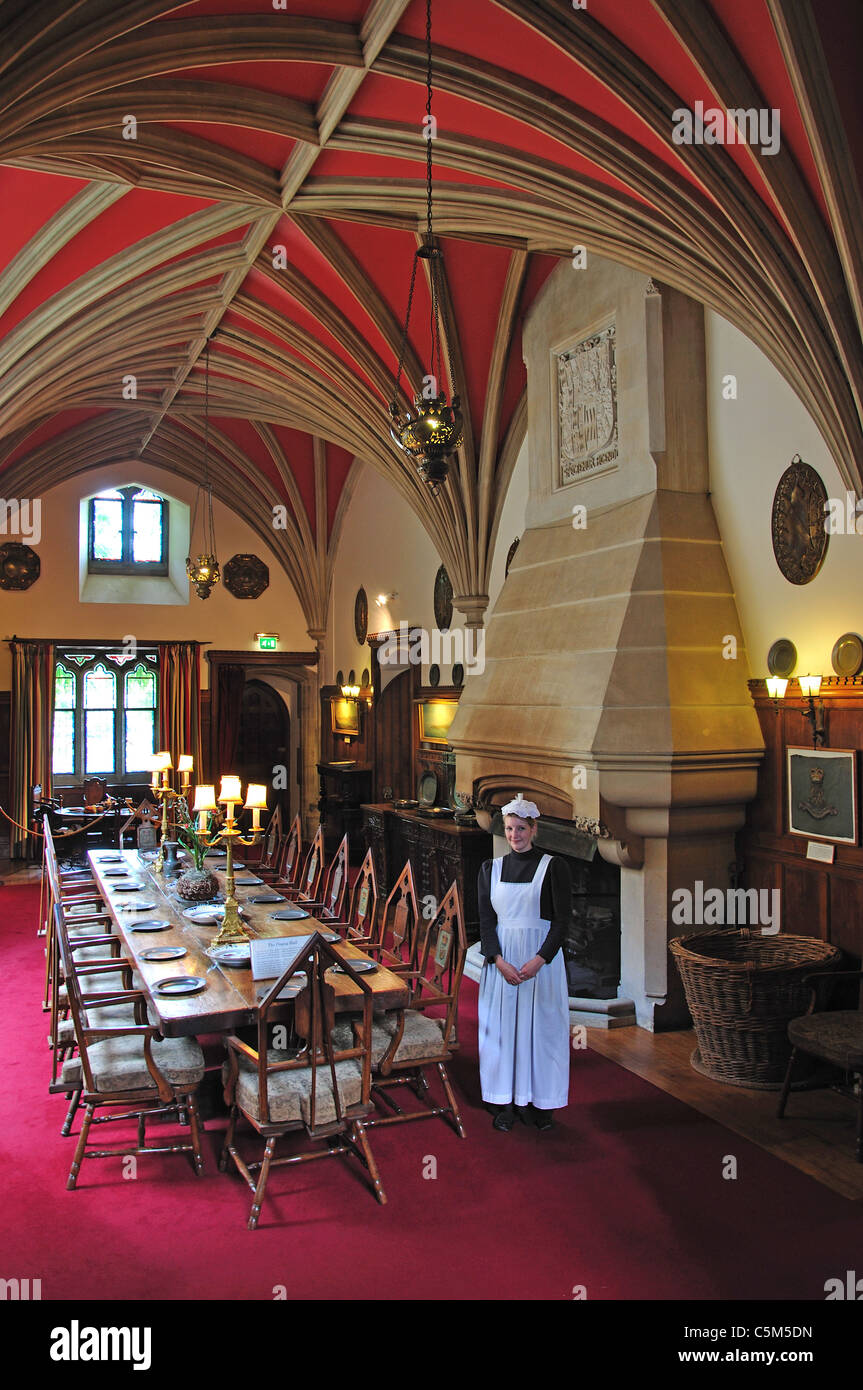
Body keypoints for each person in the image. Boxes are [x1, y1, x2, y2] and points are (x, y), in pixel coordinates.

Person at [477, 795, 571, 1131]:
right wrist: (498, 961)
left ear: (533, 829)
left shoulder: (554, 867)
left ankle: (539, 1103)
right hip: (503, 963)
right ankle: (504, 1101)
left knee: (540, 1032)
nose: (514, 835)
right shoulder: (491, 869)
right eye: (509, 828)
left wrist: (539, 961)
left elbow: (562, 923)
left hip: (539, 964)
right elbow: (486, 922)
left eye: (520, 828)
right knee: (502, 1033)